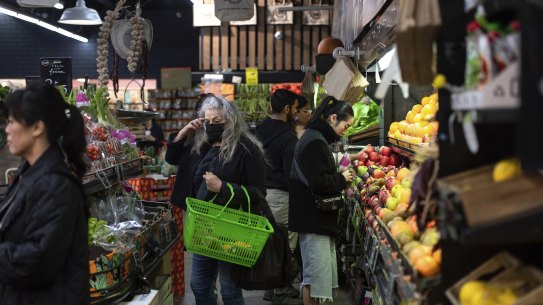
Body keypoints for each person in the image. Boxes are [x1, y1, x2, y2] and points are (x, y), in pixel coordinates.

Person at [0, 83, 89, 305]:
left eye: (12, 121)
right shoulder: (30, 173)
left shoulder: (55, 185)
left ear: (37, 128)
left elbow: (35, 263)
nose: (7, 130)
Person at [177, 93, 267, 305]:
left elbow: (259, 191)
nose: (211, 126)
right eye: (207, 122)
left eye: (217, 121)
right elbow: (174, 158)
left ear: (231, 119)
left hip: (231, 228)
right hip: (202, 228)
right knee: (199, 285)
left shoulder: (247, 149)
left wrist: (223, 188)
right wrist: (184, 132)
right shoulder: (204, 145)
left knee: (229, 290)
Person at [289, 96, 354, 305]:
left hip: (312, 218)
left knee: (316, 277)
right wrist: (342, 178)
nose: (346, 129)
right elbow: (319, 183)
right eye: (346, 125)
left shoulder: (314, 136)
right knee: (314, 279)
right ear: (333, 118)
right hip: (313, 219)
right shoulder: (315, 141)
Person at [255, 89, 300, 301]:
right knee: (284, 244)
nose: (297, 113)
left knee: (268, 241)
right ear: (286, 109)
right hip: (281, 196)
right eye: (296, 108)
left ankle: (269, 285)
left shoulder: (259, 130)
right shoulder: (288, 137)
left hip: (261, 194)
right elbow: (291, 173)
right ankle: (279, 288)